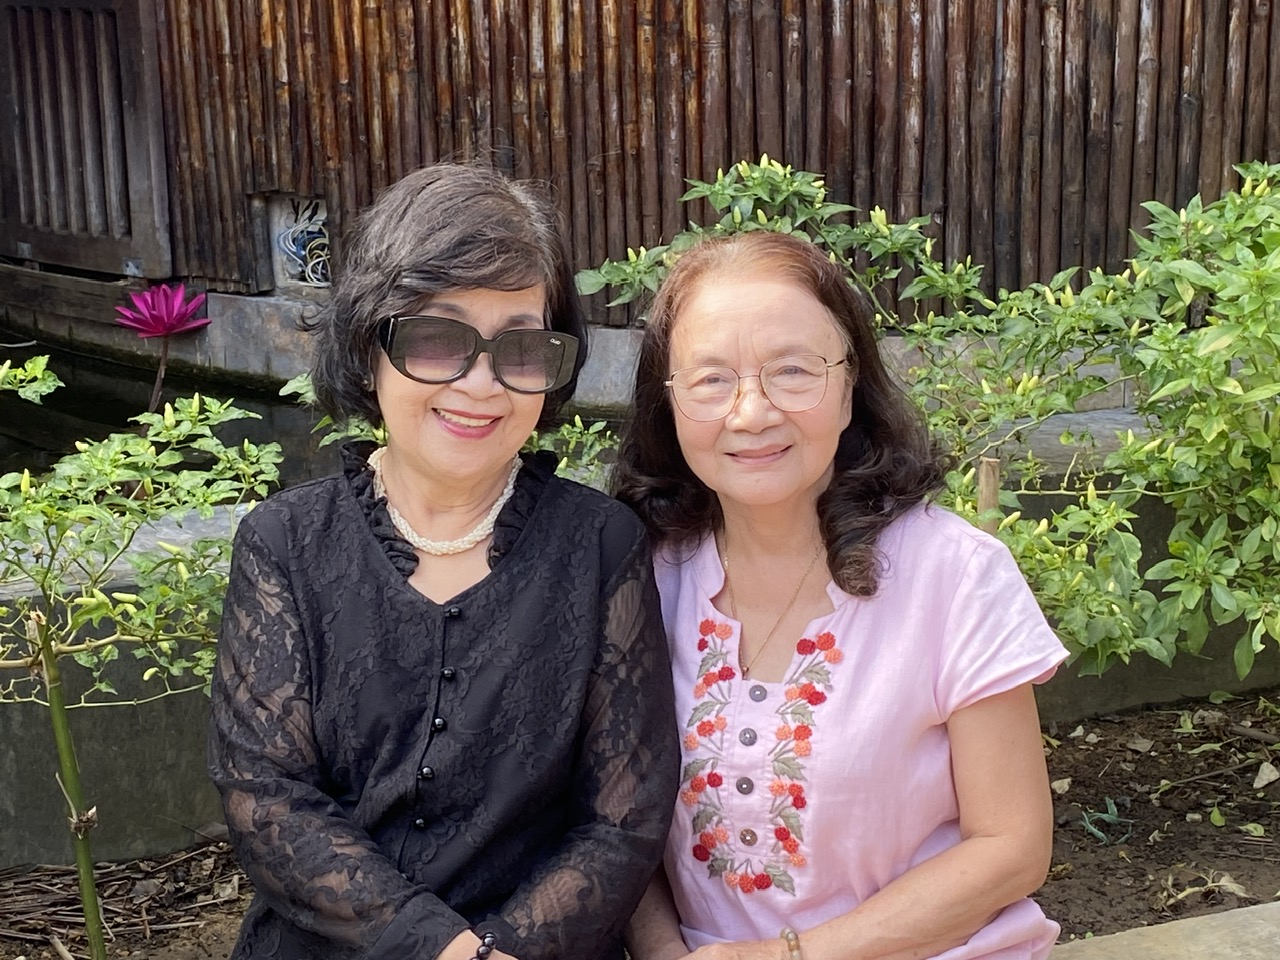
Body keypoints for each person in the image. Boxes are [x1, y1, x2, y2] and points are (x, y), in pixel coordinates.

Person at [208, 163, 679, 960]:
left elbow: (622, 819)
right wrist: (443, 950)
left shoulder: (601, 544)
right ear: (369, 345)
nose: (482, 384)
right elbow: (267, 797)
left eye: (521, 346)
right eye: (438, 338)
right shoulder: (285, 542)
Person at [613, 231, 1067, 960]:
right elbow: (611, 821)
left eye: (793, 371)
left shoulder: (955, 574)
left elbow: (1011, 847)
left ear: (851, 382)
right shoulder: (641, 574)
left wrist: (783, 958)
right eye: (711, 379)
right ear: (667, 401)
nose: (751, 412)